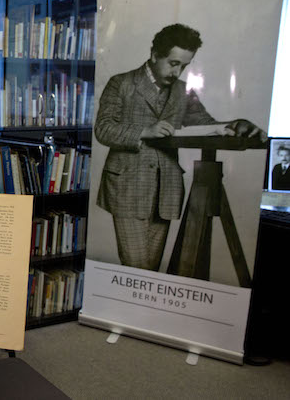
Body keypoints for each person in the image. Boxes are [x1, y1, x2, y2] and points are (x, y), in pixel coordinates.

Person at [94, 23, 263, 271]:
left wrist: (238, 125)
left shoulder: (184, 91)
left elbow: (208, 125)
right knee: (136, 267)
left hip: (166, 191)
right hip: (127, 188)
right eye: (173, 63)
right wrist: (144, 131)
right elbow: (103, 129)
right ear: (154, 55)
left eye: (184, 66)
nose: (178, 72)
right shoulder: (121, 83)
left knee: (150, 270)